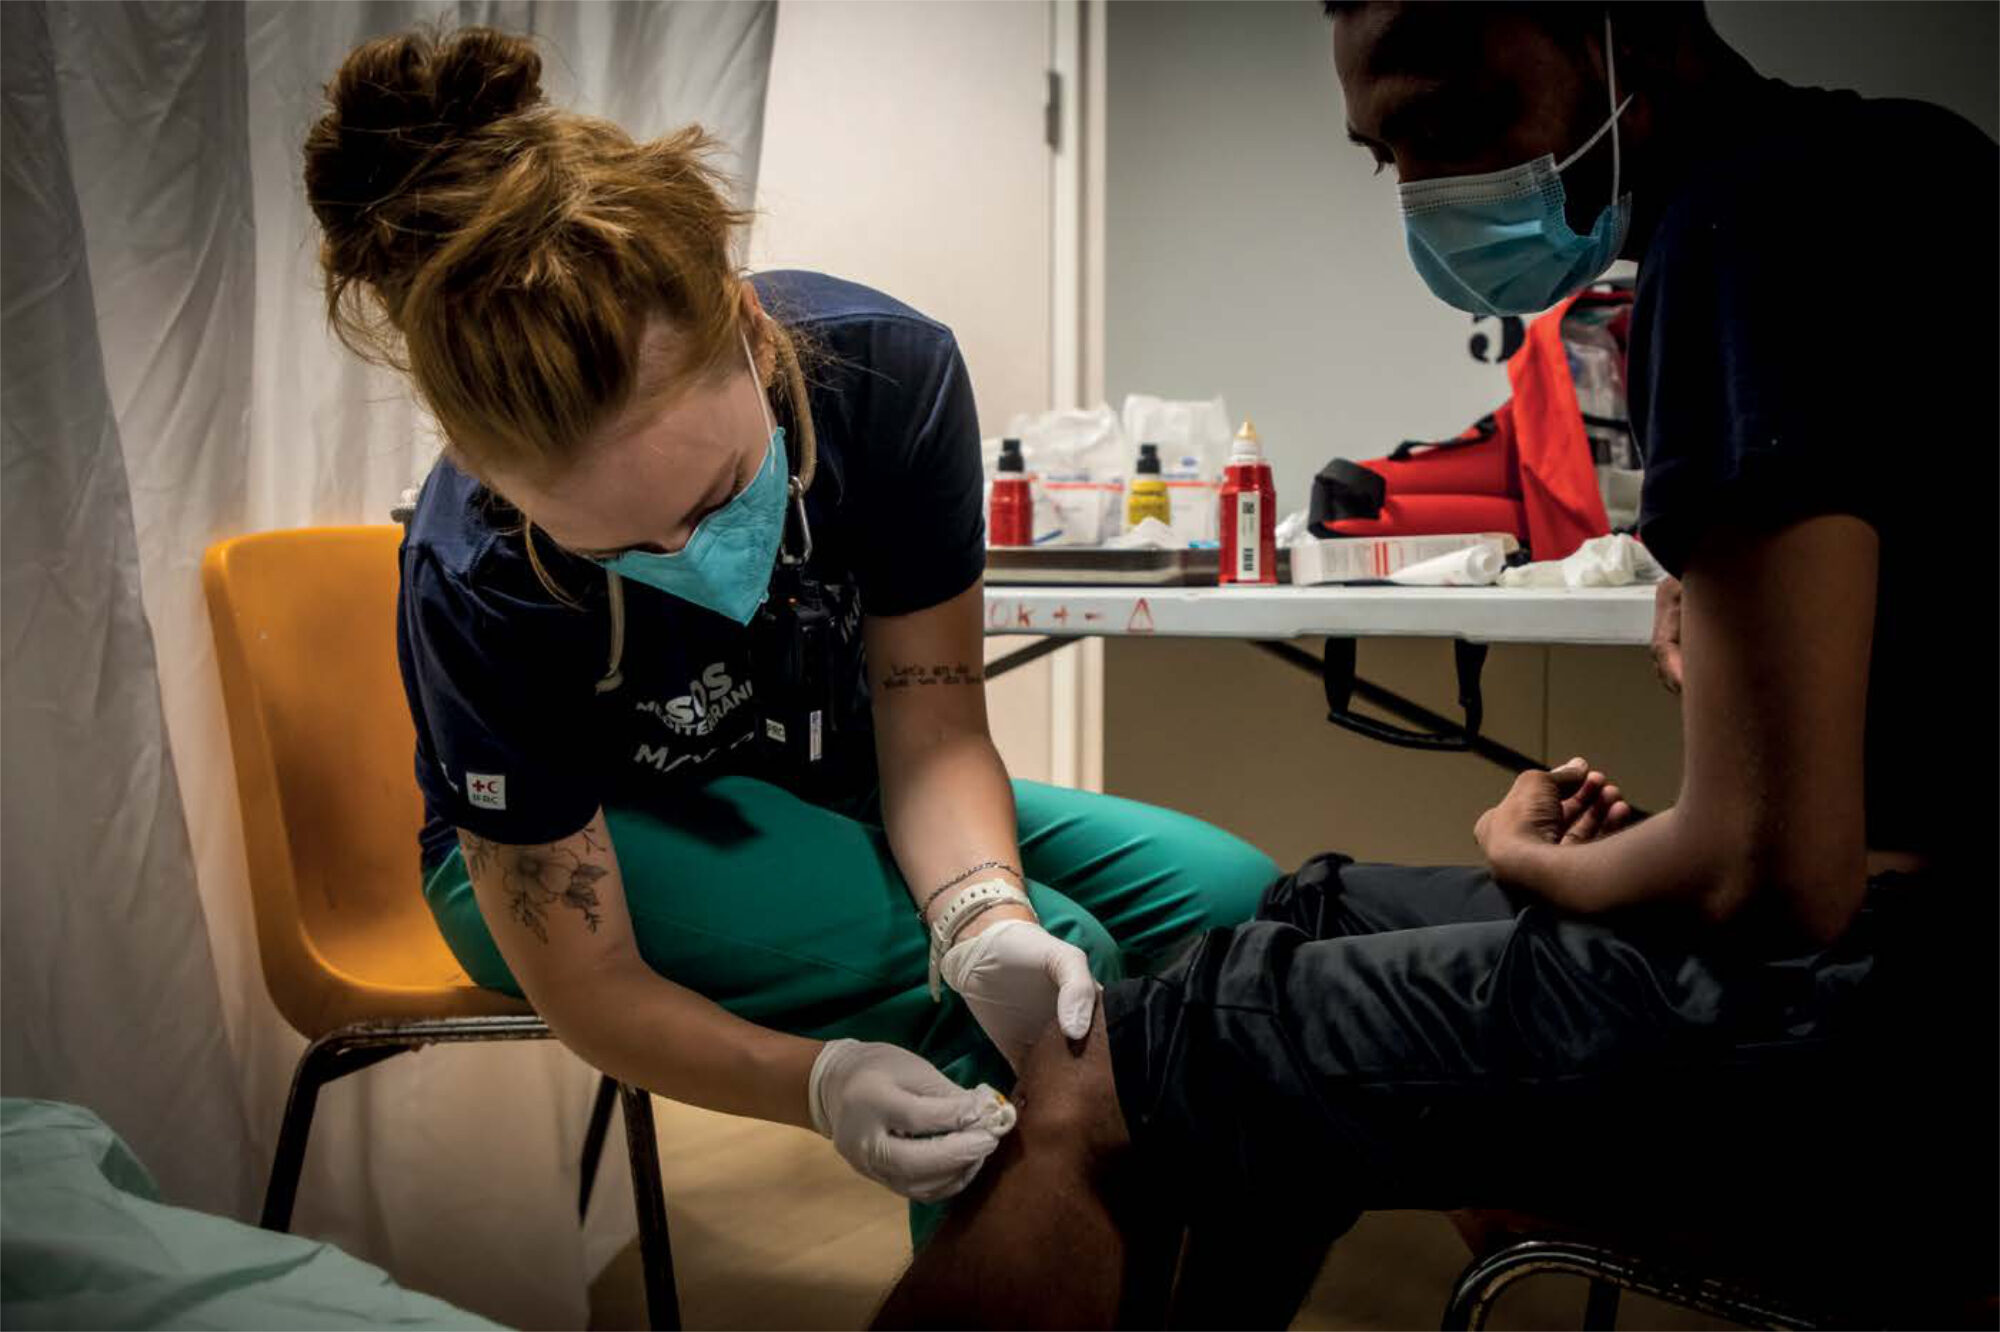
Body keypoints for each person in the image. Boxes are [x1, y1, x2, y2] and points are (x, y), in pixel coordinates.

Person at [873, 3, 1999, 1325]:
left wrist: (1539, 861)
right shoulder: (1920, 163)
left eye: (1450, 120)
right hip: (1907, 953)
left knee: (1108, 1069)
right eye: (1382, 153)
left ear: (1620, 30)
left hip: (1889, 1026)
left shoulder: (1740, 229)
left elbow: (1768, 874)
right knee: (1302, 916)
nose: (1424, 189)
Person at [301, 25, 1277, 1219]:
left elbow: (932, 728)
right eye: (610, 550)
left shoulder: (889, 380)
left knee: (1233, 905)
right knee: (1003, 1005)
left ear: (755, 338)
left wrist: (978, 911)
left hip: (818, 773)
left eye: (715, 498)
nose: (687, 560)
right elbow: (589, 982)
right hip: (570, 853)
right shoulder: (475, 570)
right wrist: (816, 1082)